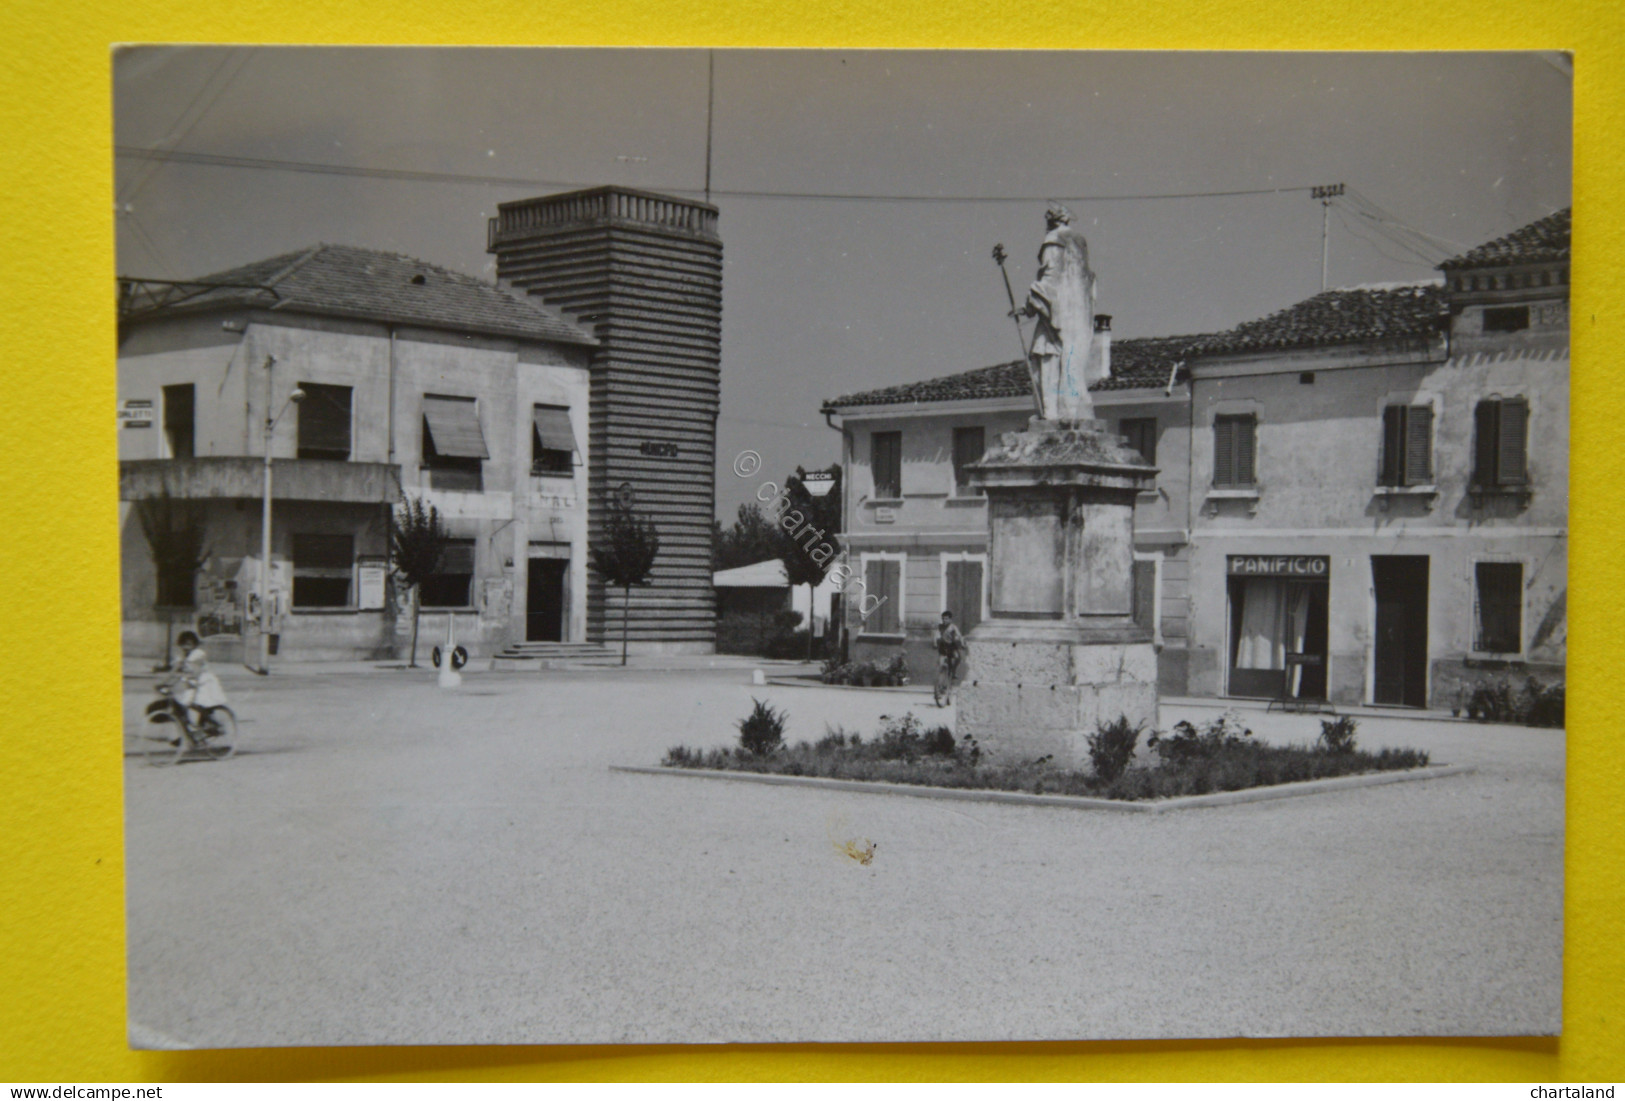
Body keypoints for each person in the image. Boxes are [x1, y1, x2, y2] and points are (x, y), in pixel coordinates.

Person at [170, 630, 229, 737]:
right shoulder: (182, 657)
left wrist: (186, 677)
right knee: (183, 705)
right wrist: (165, 683)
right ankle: (187, 733)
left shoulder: (198, 654)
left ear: (194, 645)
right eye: (183, 644)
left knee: (198, 704)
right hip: (193, 683)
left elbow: (196, 671)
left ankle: (213, 725)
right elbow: (175, 671)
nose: (185, 647)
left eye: (188, 644)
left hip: (204, 684)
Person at [934, 611, 968, 705]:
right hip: (942, 647)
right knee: (941, 665)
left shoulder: (953, 627)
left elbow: (959, 636)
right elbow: (936, 635)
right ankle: (938, 688)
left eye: (946, 619)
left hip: (951, 647)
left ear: (950, 619)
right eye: (943, 619)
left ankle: (953, 671)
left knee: (958, 658)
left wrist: (962, 643)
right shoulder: (940, 627)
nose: (944, 620)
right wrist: (934, 642)